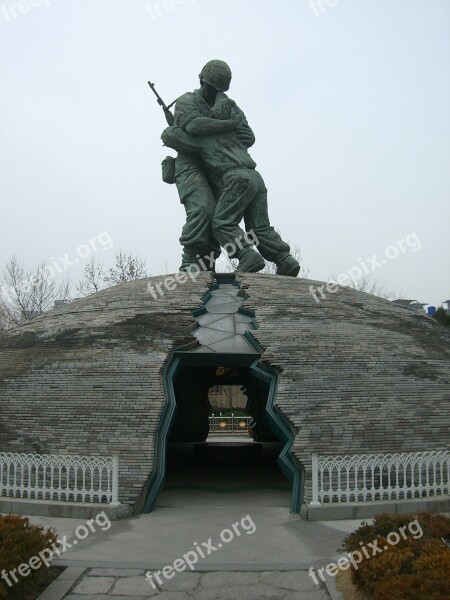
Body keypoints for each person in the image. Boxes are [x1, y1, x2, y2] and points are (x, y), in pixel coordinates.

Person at [162, 91, 301, 276]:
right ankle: (284, 259)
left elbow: (170, 135)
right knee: (260, 226)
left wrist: (183, 126)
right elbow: (248, 136)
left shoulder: (204, 137)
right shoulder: (234, 137)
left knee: (221, 223)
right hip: (255, 177)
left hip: (236, 178)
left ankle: (246, 254)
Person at [170, 60, 254, 272]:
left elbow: (247, 134)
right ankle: (190, 260)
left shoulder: (226, 105)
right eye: (210, 87)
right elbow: (194, 126)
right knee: (203, 208)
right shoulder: (186, 101)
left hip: (217, 167)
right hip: (190, 164)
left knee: (220, 216)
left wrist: (245, 134)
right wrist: (228, 126)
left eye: (218, 90)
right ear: (201, 81)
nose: (213, 93)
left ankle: (206, 263)